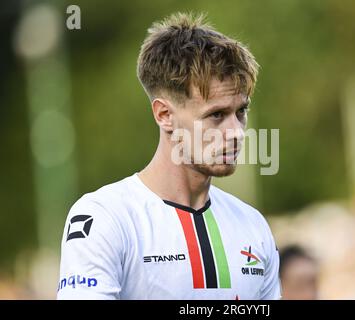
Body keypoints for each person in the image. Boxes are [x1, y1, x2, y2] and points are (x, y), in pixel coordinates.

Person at [57, 12, 281, 300]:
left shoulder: (253, 225)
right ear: (164, 115)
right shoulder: (104, 218)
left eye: (241, 112)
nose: (236, 132)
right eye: (216, 115)